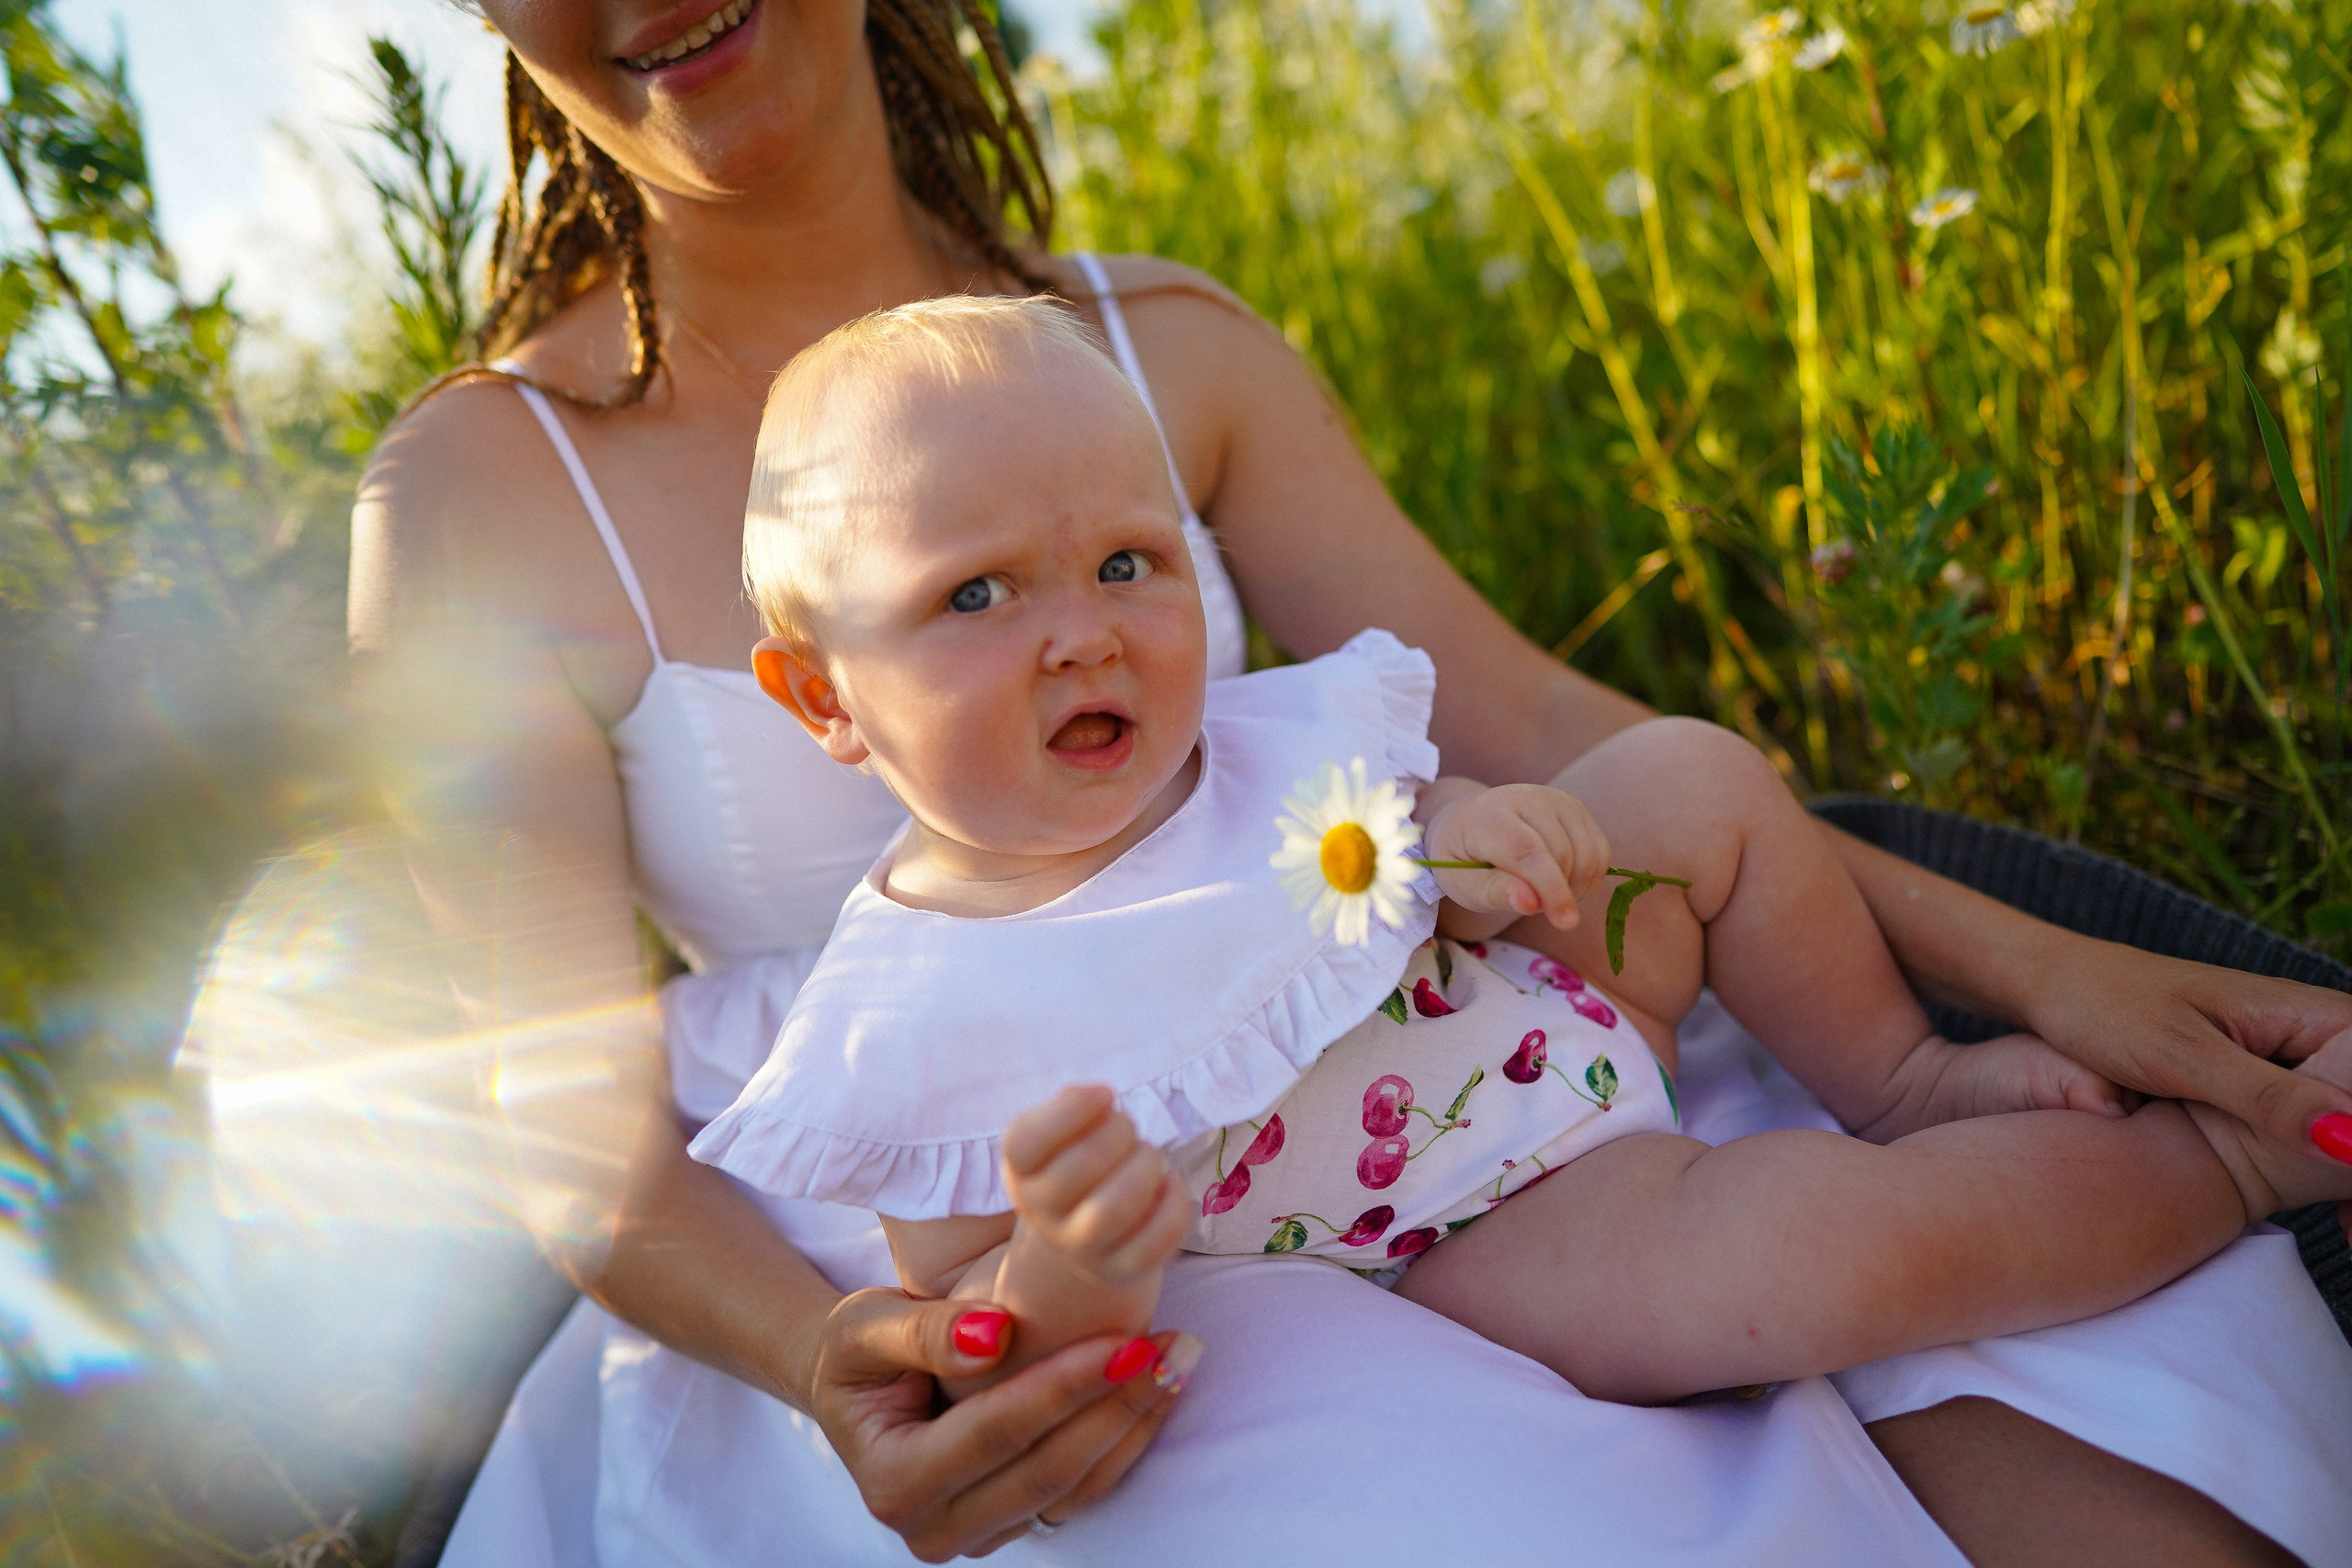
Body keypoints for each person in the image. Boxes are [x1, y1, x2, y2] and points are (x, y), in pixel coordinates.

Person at [347, 1, 2352, 1562]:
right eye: (970, 593)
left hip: (1450, 1030)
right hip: (1025, 1282)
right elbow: (572, 1129)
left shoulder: (1162, 344)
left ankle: (2195, 1155)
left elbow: (1542, 737)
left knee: (2053, 1399)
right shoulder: (472, 492)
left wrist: (2033, 961)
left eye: (1123, 566)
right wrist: (871, 1355)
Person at [689, 293, 2352, 1410]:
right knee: (1809, 1257)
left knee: (1688, 775)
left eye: (1128, 562)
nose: (1084, 636)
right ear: (822, 698)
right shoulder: (909, 1009)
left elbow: (1397, 824)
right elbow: (974, 1322)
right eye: (976, 596)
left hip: (1535, 993)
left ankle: (1899, 1070)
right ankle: (2219, 1170)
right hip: (1474, 1222)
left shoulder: (1250, 741)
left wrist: (1474, 832)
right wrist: (1069, 1260)